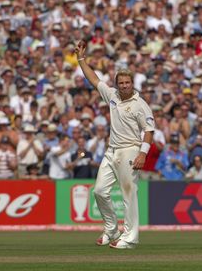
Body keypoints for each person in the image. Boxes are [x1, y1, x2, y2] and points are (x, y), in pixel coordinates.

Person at [75, 40, 154, 249]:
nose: (124, 86)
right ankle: (112, 229)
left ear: (132, 83)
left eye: (127, 83)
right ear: (117, 84)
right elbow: (94, 79)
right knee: (99, 191)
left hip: (130, 150)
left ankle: (130, 238)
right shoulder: (112, 96)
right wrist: (81, 60)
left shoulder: (140, 105)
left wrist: (143, 154)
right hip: (111, 151)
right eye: (121, 83)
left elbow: (149, 130)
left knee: (129, 194)